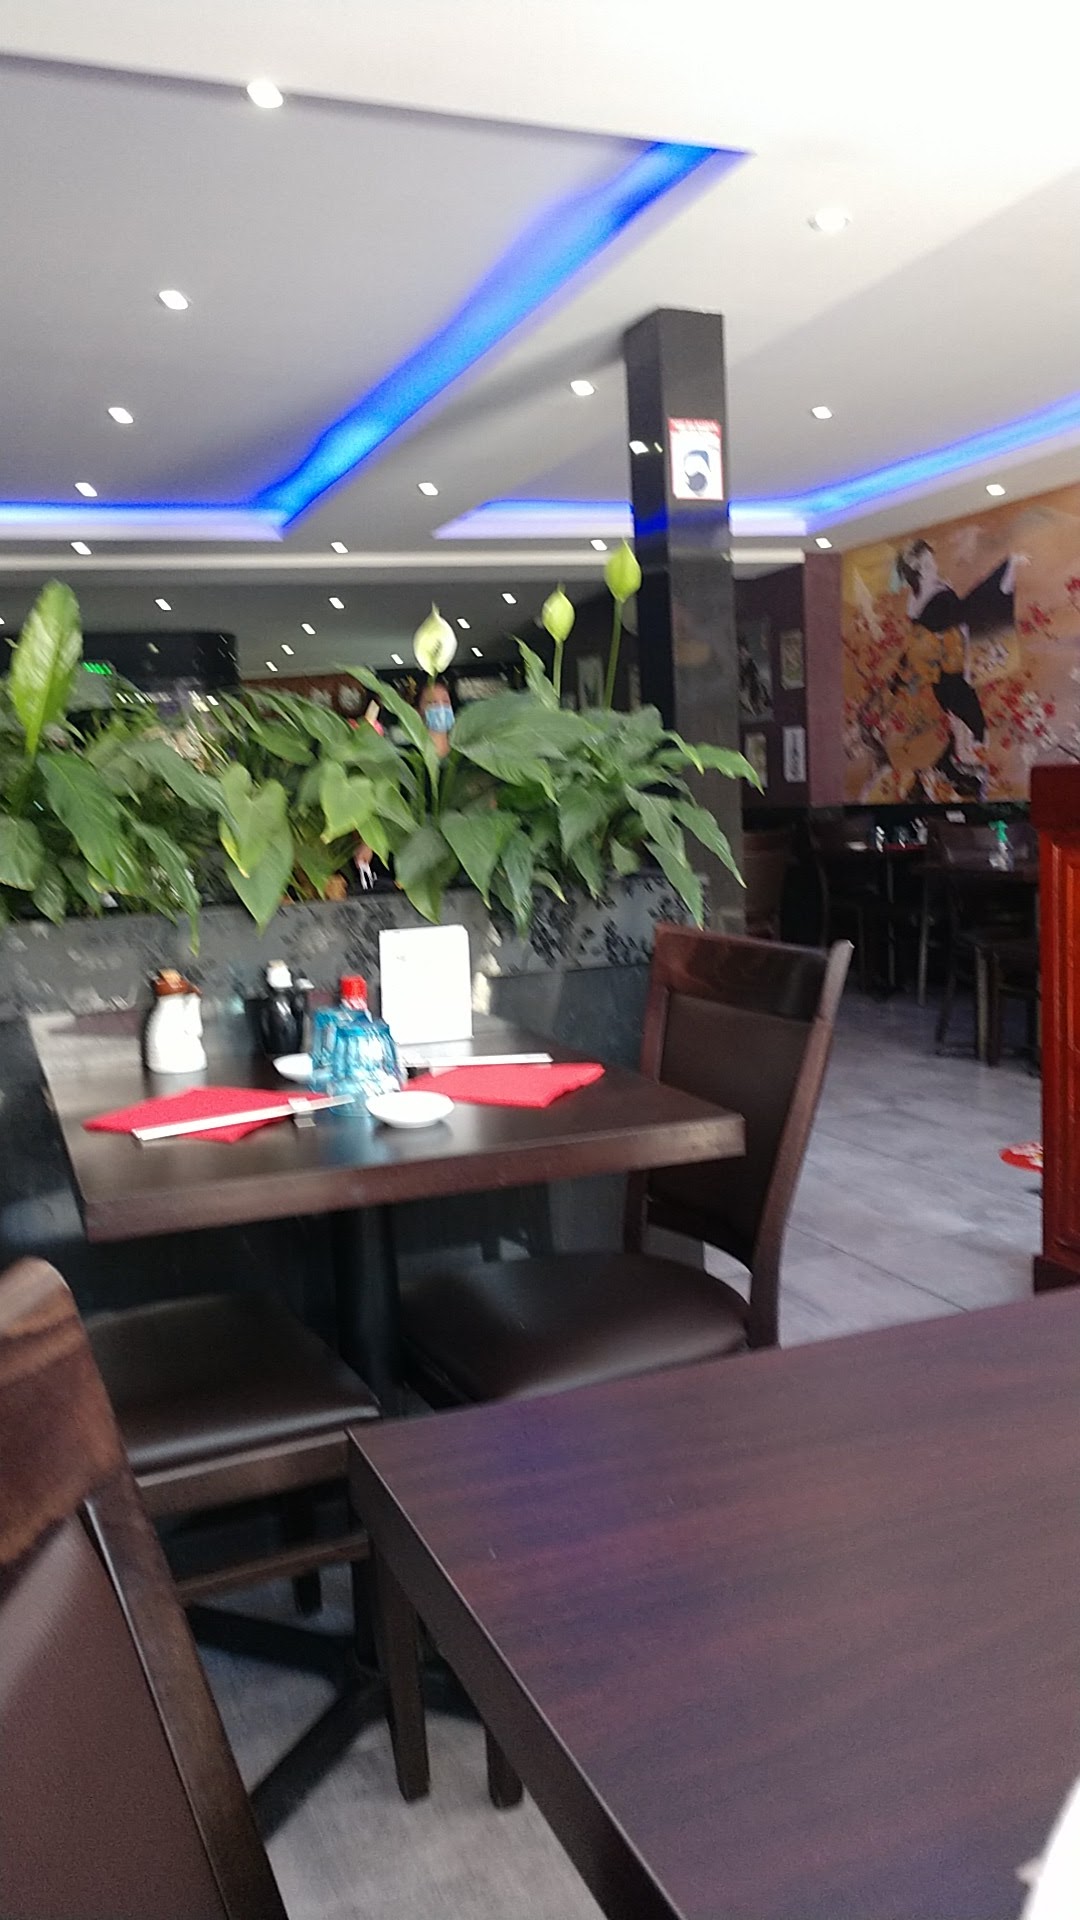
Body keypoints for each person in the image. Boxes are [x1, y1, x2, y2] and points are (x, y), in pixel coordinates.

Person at [889, 540, 1023, 800]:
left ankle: (936, 781)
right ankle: (960, 781)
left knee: (963, 732)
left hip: (948, 677)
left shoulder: (921, 598)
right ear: (917, 567)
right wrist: (1005, 570)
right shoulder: (933, 599)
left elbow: (958, 617)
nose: (934, 564)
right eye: (929, 561)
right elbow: (968, 609)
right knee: (974, 729)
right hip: (949, 678)